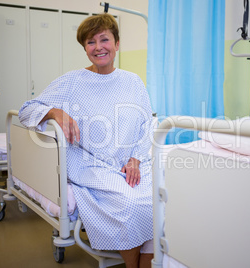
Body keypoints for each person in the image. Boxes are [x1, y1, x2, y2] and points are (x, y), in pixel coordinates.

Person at [18, 13, 154, 268]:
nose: (99, 47)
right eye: (91, 42)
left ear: (117, 43)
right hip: (89, 162)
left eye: (104, 39)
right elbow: (26, 111)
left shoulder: (133, 82)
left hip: (130, 161)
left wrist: (135, 158)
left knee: (157, 199)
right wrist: (54, 112)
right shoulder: (72, 81)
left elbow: (147, 124)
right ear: (85, 48)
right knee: (129, 203)